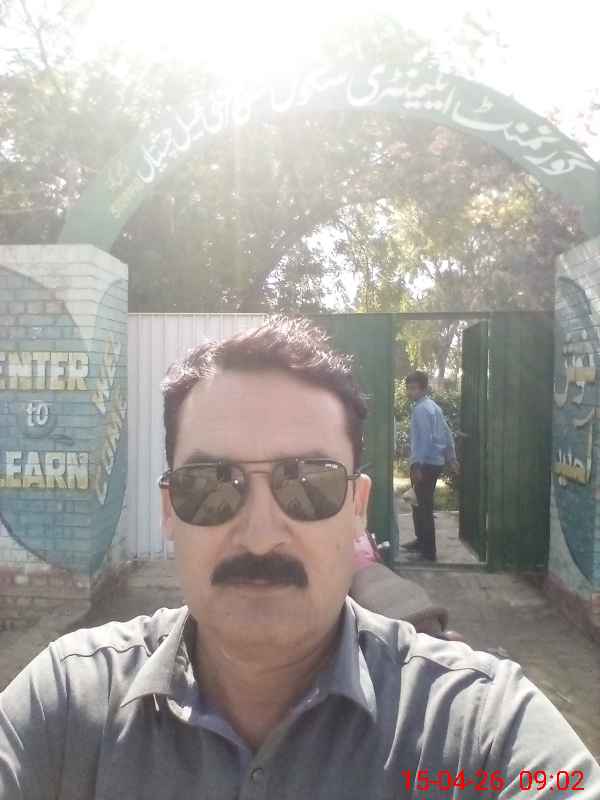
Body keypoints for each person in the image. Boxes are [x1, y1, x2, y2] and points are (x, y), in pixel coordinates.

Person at [0, 317, 598, 799]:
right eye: (211, 485)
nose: (261, 536)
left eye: (309, 483)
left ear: (357, 508)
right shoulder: (65, 706)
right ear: (170, 510)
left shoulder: (477, 728)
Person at [402, 370, 459, 562]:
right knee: (418, 504)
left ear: (424, 389)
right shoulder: (433, 407)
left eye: (414, 388)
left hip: (425, 464)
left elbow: (424, 441)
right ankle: (421, 541)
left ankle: (428, 552)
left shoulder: (421, 410)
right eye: (408, 388)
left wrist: (417, 465)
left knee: (423, 507)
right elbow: (446, 433)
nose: (410, 392)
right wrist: (451, 458)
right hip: (434, 463)